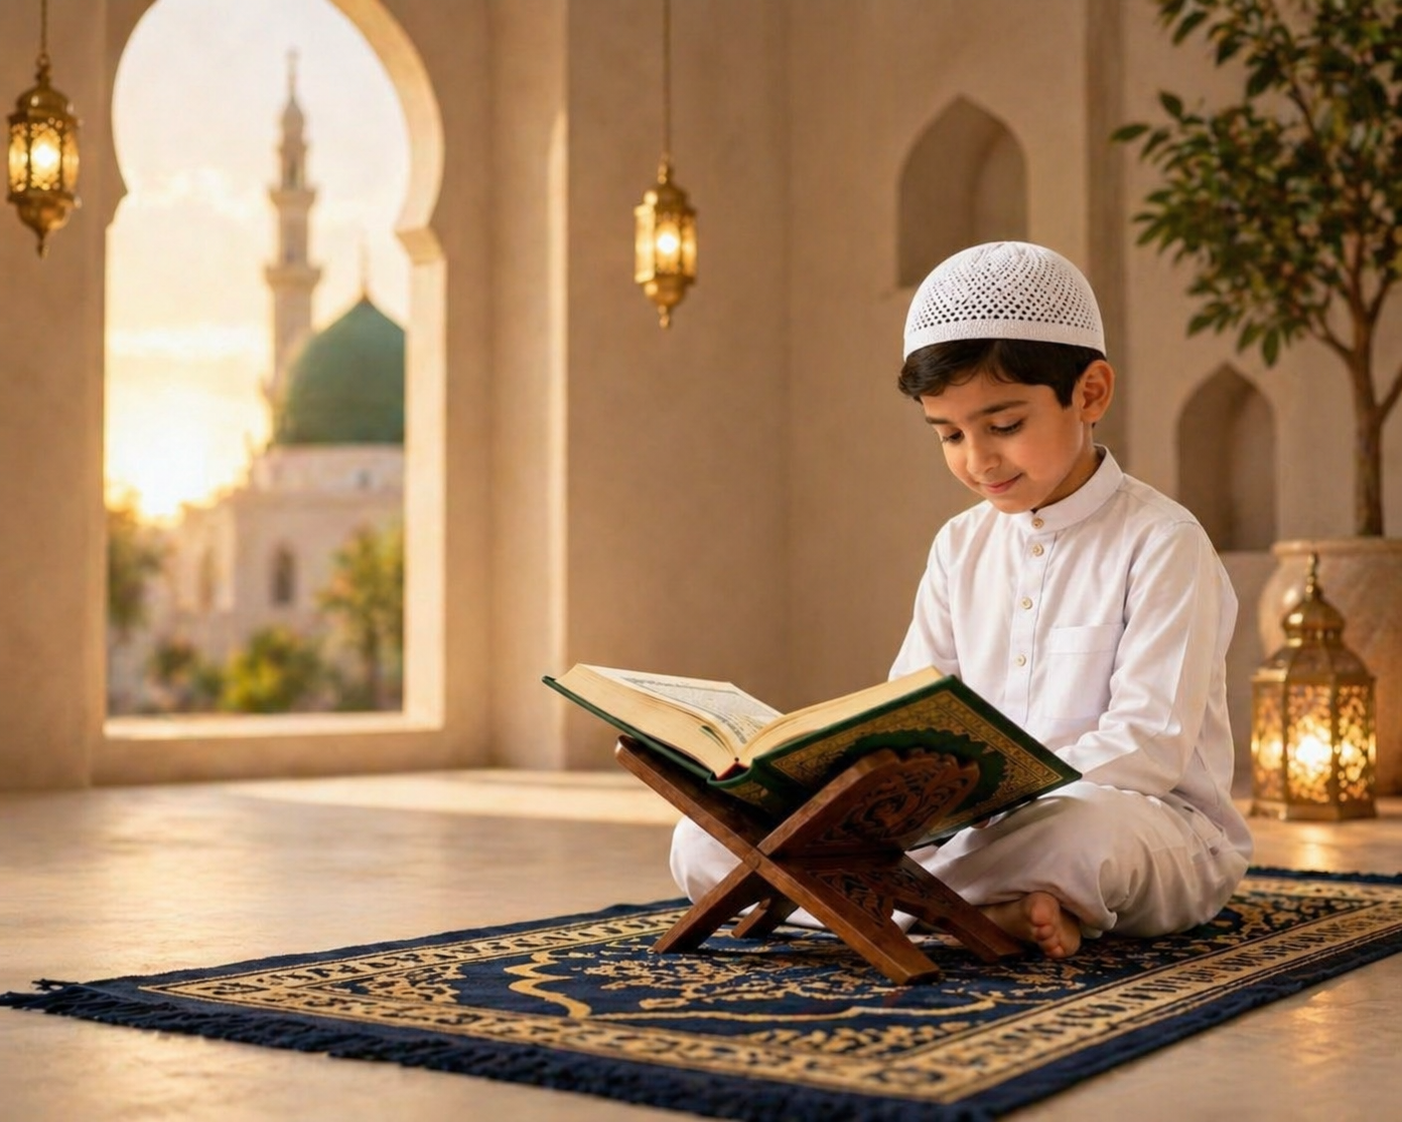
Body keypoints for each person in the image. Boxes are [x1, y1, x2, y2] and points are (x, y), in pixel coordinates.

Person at [670, 240, 1252, 958]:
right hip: (957, 830)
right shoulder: (958, 545)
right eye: (948, 434)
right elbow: (909, 714)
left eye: (1004, 426)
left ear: (1091, 393)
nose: (977, 461)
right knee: (701, 844)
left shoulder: (1164, 541)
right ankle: (981, 916)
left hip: (1138, 823)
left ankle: (889, 902)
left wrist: (980, 808)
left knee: (1078, 837)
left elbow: (1147, 749)